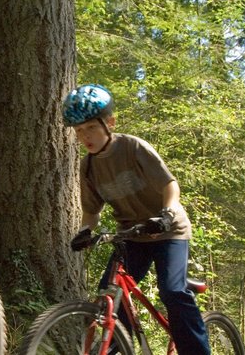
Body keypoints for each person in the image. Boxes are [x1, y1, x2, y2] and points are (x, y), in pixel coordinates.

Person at [63, 84, 211, 354]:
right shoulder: (88, 166)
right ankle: (120, 347)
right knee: (110, 297)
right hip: (132, 235)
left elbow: (170, 186)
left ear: (110, 122)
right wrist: (85, 230)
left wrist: (167, 213)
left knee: (172, 292)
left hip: (169, 231)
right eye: (79, 130)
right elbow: (92, 211)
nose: (86, 136)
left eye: (91, 128)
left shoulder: (132, 147)